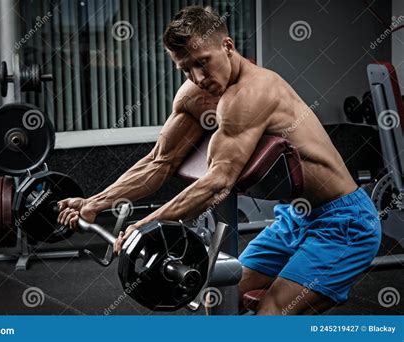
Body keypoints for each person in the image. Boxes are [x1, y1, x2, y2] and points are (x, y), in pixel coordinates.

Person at [57, 6, 381, 315]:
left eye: (202, 62)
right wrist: (95, 203)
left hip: (344, 223)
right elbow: (159, 162)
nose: (197, 77)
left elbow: (218, 184)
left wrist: (145, 225)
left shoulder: (253, 93)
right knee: (220, 297)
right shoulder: (192, 95)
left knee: (272, 312)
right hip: (293, 218)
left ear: (227, 45)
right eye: (185, 68)